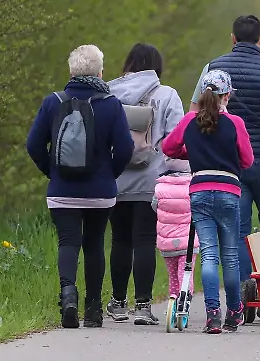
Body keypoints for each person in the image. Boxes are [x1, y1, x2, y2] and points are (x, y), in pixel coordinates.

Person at [191, 14, 260, 321]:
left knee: (239, 233)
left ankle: (246, 295)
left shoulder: (212, 70)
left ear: (232, 39)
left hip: (227, 165)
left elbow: (194, 112)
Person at [26, 44, 133, 329]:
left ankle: (68, 296)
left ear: (71, 71)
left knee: (68, 242)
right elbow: (125, 148)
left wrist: (51, 171)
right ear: (100, 72)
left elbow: (33, 144)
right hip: (100, 192)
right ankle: (94, 309)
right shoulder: (111, 104)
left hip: (62, 191)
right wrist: (110, 173)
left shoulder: (53, 102)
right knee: (95, 243)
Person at [163, 70, 254, 334]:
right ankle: (234, 312)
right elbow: (246, 160)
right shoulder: (235, 123)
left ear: (202, 94)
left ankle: (212, 315)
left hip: (200, 190)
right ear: (227, 95)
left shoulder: (190, 120)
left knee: (210, 255)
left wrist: (189, 150)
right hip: (228, 191)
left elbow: (169, 147)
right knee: (231, 256)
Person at [105, 43, 186, 325]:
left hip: (115, 179)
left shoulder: (108, 94)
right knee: (144, 240)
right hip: (152, 180)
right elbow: (177, 141)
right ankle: (142, 306)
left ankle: (117, 303)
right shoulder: (167, 95)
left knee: (119, 240)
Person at [151, 158, 197, 300]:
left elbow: (154, 206)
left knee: (172, 275)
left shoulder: (160, 186)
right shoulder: (192, 185)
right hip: (188, 241)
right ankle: (185, 297)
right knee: (186, 273)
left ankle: (173, 296)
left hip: (167, 241)